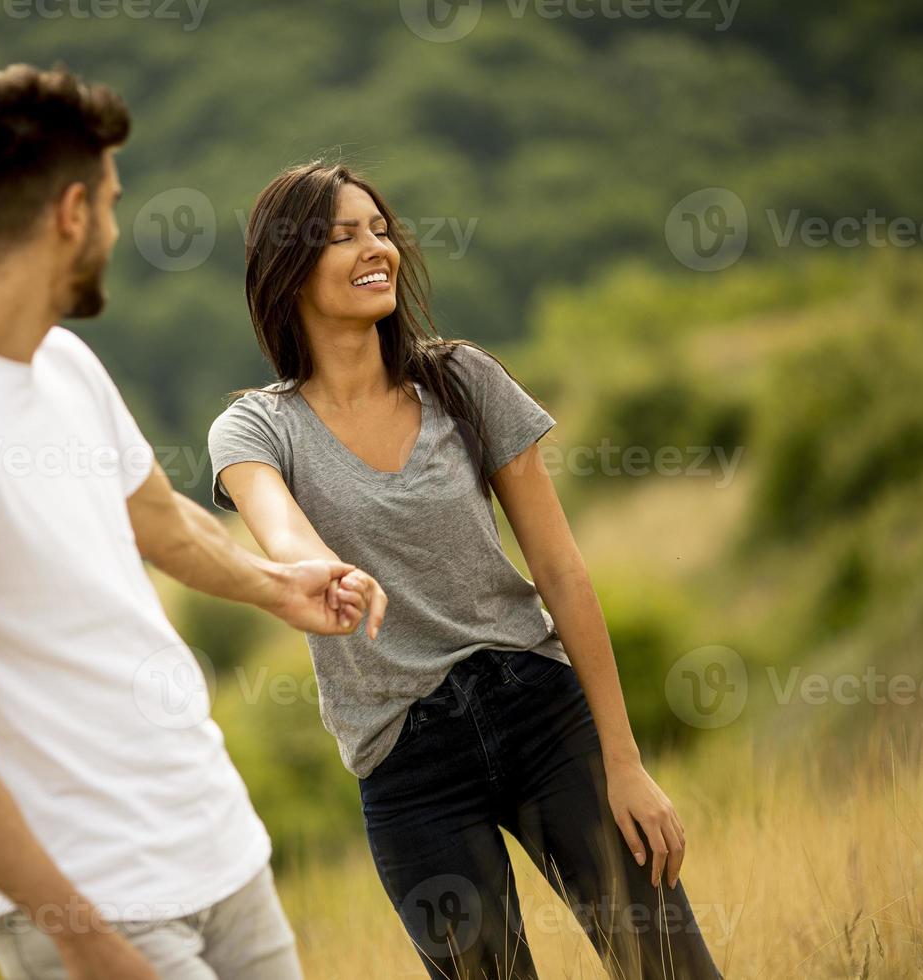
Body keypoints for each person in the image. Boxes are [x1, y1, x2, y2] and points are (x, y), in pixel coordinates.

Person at [0, 67, 380, 980]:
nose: (118, 232)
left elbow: (162, 527)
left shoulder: (65, 365)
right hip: (90, 907)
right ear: (73, 213)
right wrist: (88, 947)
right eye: (115, 204)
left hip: (214, 848)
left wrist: (279, 586)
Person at [207, 161, 725, 979]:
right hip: (408, 769)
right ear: (288, 268)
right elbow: (279, 527)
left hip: (542, 717)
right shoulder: (255, 427)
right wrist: (325, 575)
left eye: (379, 229)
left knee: (669, 966)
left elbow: (560, 568)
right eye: (342, 236)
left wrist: (624, 762)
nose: (375, 248)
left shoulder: (461, 379)